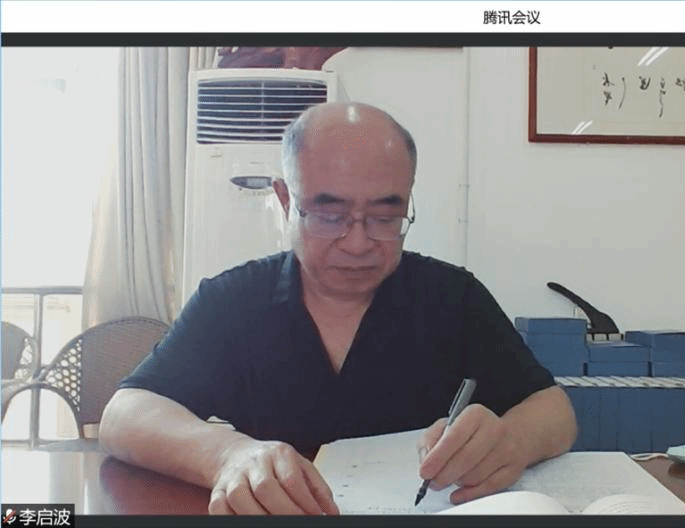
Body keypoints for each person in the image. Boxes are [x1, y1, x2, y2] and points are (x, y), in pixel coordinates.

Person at [98, 102, 578, 515]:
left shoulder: (453, 298)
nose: (358, 243)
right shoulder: (234, 301)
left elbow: (554, 410)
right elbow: (125, 414)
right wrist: (227, 455)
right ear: (285, 200)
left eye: (385, 217)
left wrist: (511, 440)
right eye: (330, 216)